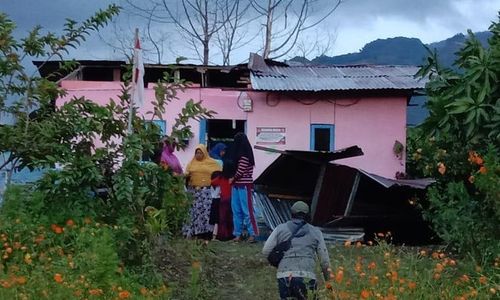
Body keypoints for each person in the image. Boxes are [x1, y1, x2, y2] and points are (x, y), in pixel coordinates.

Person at [262, 201, 331, 300]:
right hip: (307, 276)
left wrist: (279, 263)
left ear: (292, 214)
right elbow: (324, 261)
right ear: (308, 215)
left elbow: (266, 250)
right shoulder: (316, 232)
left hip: (284, 276)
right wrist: (328, 282)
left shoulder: (280, 229)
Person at [183, 144, 222, 239]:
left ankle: (205, 234)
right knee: (193, 212)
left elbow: (219, 174)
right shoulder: (191, 163)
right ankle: (192, 232)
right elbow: (187, 173)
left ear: (205, 153)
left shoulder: (212, 163)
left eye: (200, 153)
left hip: (206, 192)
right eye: (197, 153)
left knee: (205, 213)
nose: (198, 155)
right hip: (193, 191)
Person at [228, 132, 258, 243]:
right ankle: (237, 234)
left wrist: (232, 179)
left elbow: (240, 171)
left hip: (244, 185)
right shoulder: (241, 155)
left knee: (247, 211)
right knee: (236, 211)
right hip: (237, 186)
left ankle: (252, 234)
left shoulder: (244, 156)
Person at [210, 162, 234, 241]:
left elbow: (212, 182)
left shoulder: (221, 177)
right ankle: (232, 233)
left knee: (222, 218)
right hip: (232, 199)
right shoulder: (232, 178)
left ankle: (223, 235)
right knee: (230, 217)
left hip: (223, 199)